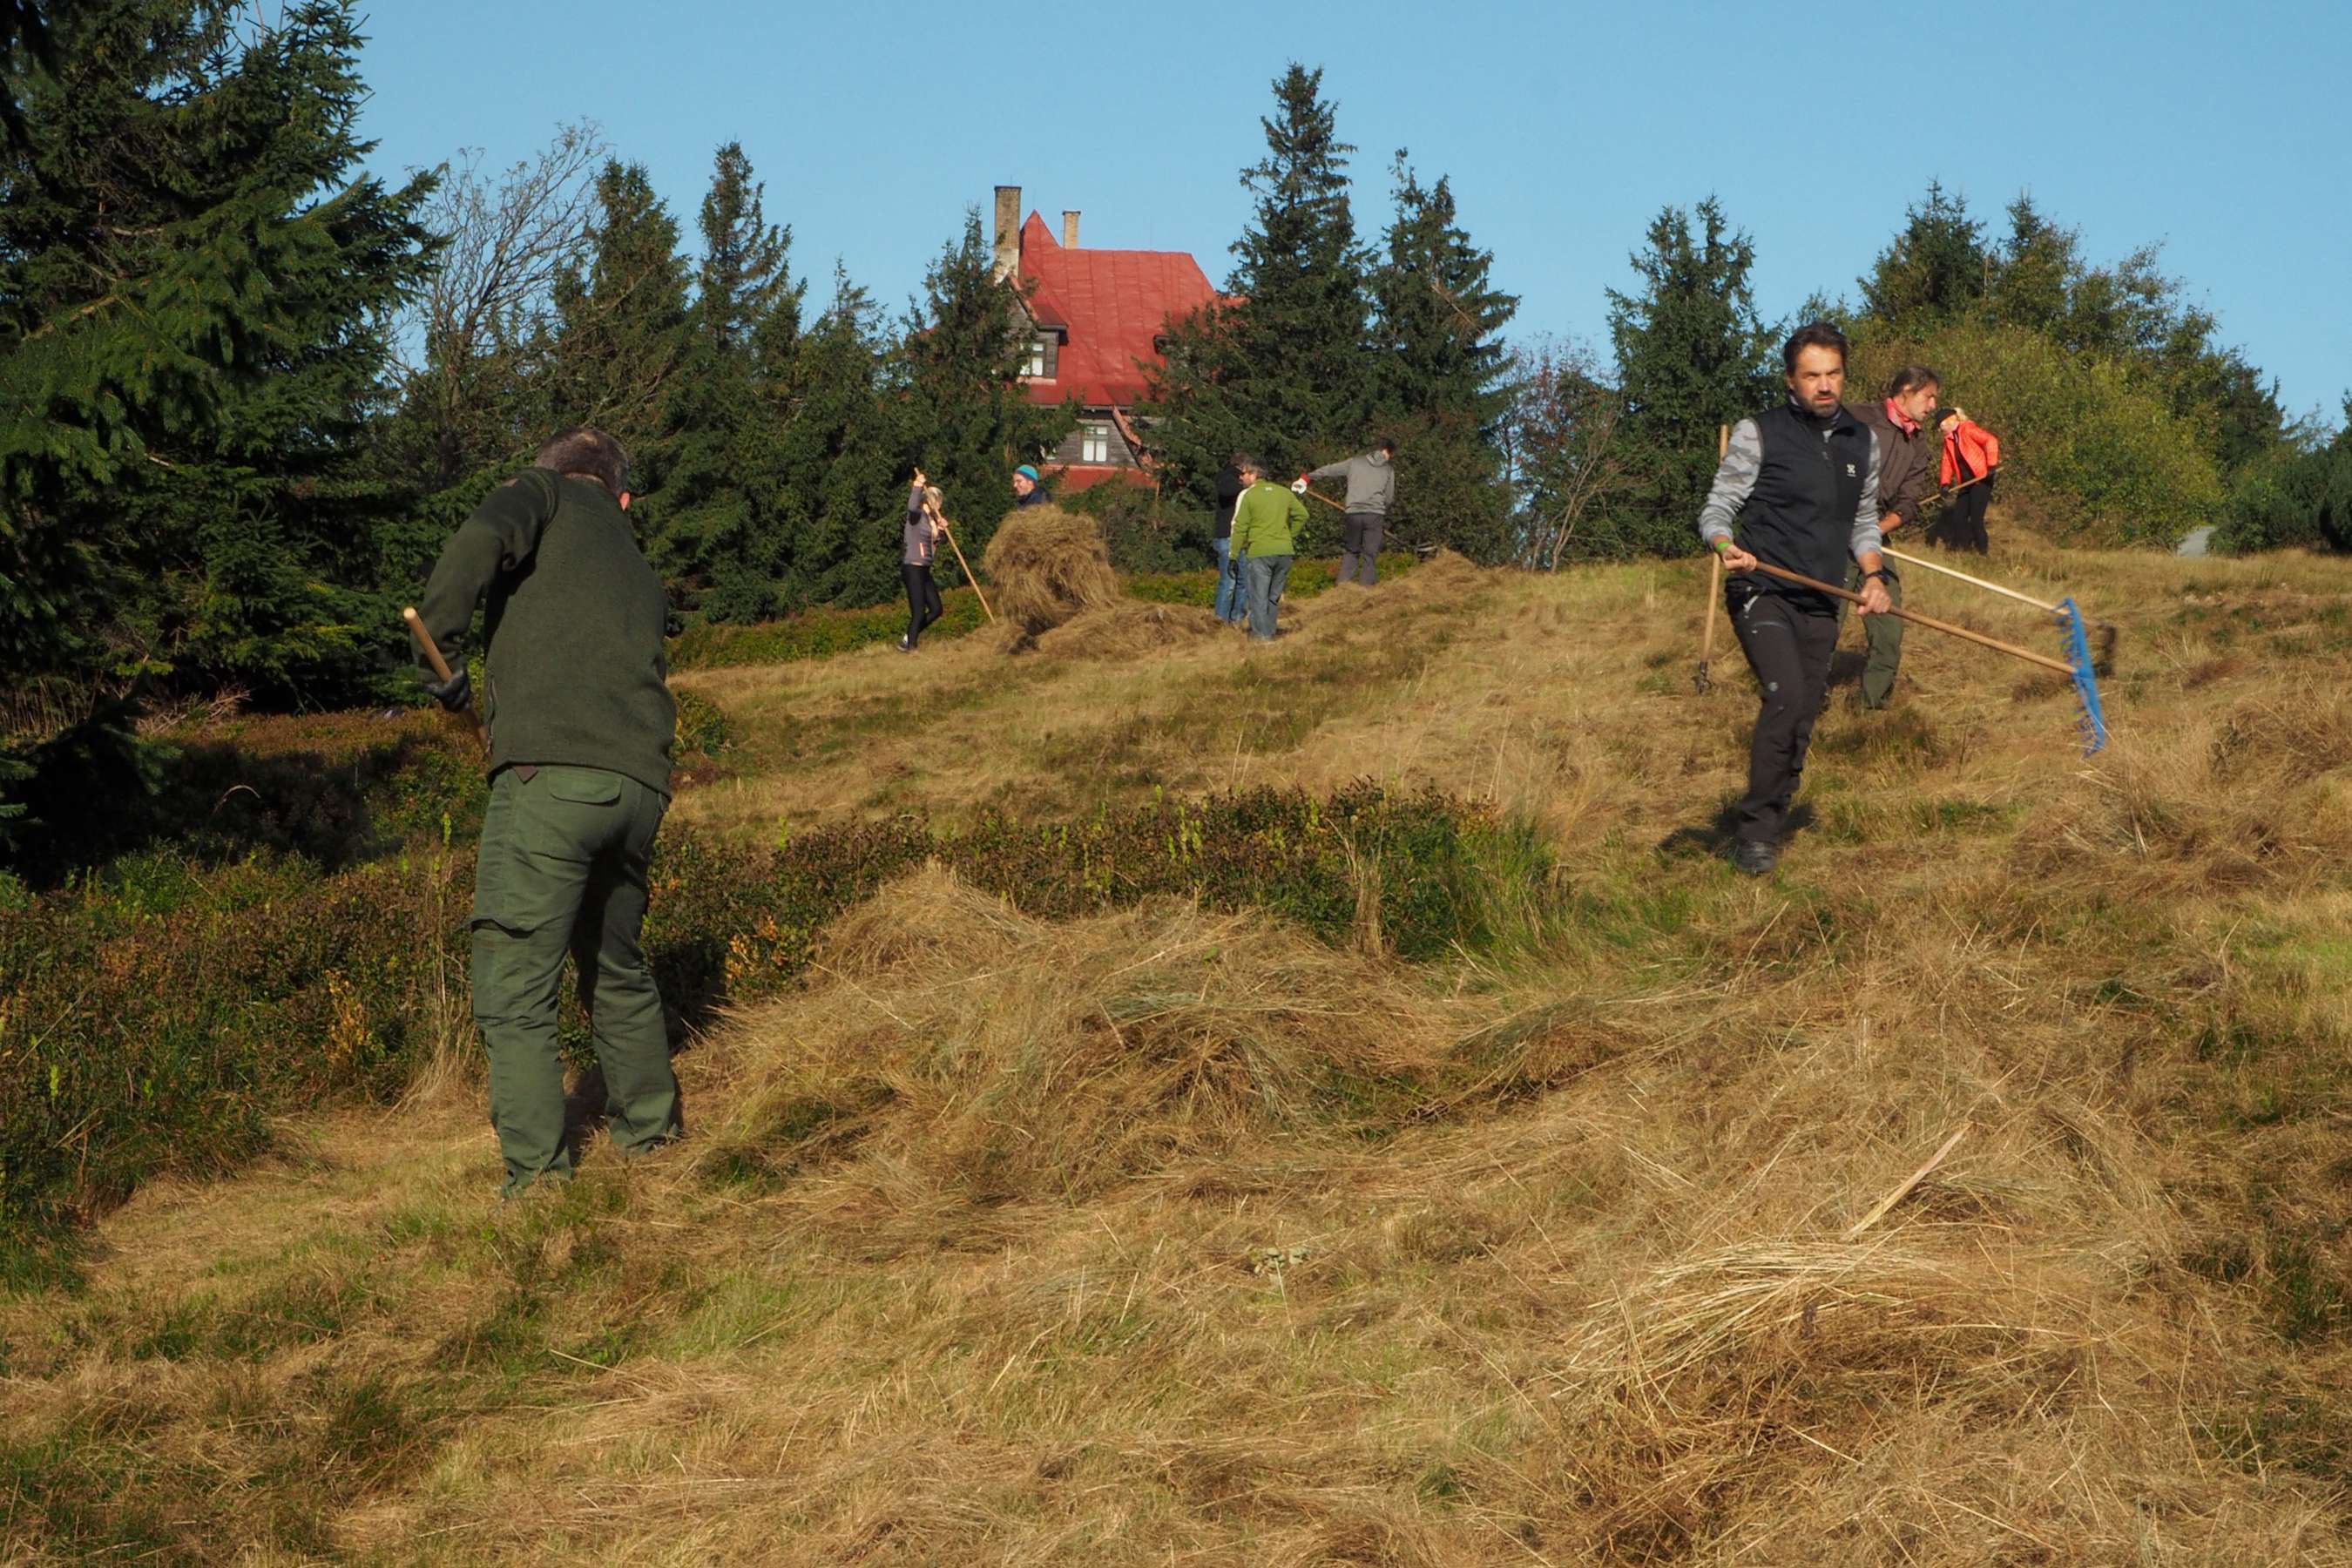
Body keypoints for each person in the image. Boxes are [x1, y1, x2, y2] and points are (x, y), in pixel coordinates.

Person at [415, 428, 681, 1199]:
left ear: (556, 473)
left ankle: (536, 1184)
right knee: (616, 968)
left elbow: (483, 531)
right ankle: (652, 1137)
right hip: (640, 790)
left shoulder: (544, 492)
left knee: (513, 981)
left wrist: (438, 640)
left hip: (549, 781)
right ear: (623, 497)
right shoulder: (639, 568)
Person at [1700, 324, 1892, 876]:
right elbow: (1717, 507)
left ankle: (1776, 817)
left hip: (1822, 597)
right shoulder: (1759, 433)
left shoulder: (1864, 441)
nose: (1824, 385)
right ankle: (1756, 835)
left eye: (1833, 374)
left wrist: (1873, 578)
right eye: (1812, 375)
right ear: (1790, 380)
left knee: (1805, 714)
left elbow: (1862, 524)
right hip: (1761, 588)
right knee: (1784, 697)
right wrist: (1723, 545)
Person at [1841, 365, 1942, 710]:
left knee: (1889, 629)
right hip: (1831, 532)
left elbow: (1910, 502)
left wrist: (1874, 532)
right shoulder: (1857, 417)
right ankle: (1806, 701)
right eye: (1928, 397)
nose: (1932, 406)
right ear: (1906, 392)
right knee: (1822, 625)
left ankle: (1871, 710)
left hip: (1875, 534)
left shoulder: (1919, 443)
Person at [1230, 454, 1309, 641]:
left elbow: (1240, 526)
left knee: (1259, 597)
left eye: (1245, 473)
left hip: (1260, 551)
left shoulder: (1250, 495)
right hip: (1284, 551)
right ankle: (1271, 631)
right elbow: (1302, 515)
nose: (1242, 477)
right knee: (1273, 596)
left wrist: (1234, 553)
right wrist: (1290, 535)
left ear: (1254, 474)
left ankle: (1261, 637)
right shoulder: (1283, 492)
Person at [1301, 438, 1397, 585]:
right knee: (1370, 554)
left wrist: (1307, 477)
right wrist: (1381, 508)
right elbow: (1389, 498)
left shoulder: (1355, 462)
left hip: (1353, 514)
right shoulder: (1388, 469)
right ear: (1387, 451)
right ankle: (1366, 589)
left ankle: (1342, 586)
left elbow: (1330, 470)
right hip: (1374, 515)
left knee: (1352, 550)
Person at [1927, 409, 2000, 554]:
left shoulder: (1968, 429)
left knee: (1976, 520)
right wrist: (1945, 483)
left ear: (1949, 421)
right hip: (1965, 483)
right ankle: (1961, 551)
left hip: (1981, 481)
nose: (1940, 429)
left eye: (1940, 425)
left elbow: (1990, 440)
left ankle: (1982, 553)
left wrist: (1991, 465)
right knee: (1959, 518)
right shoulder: (1949, 440)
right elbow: (1947, 462)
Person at [900, 470, 950, 652]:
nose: (938, 505)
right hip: (912, 567)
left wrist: (943, 529)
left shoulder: (931, 521)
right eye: (936, 501)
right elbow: (911, 507)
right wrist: (917, 486)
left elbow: (941, 541)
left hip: (924, 570)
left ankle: (908, 637)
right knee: (918, 612)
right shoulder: (917, 516)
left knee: (936, 609)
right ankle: (911, 648)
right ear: (928, 501)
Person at [1211, 454, 1247, 625]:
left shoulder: (1229, 479)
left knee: (1241, 580)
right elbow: (1227, 491)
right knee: (1230, 581)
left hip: (1235, 536)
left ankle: (1235, 619)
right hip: (1227, 536)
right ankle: (1222, 619)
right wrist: (1246, 486)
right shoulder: (1227, 478)